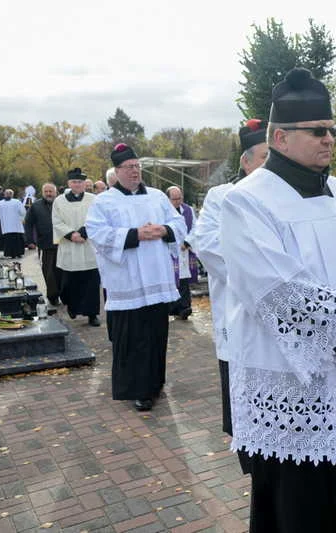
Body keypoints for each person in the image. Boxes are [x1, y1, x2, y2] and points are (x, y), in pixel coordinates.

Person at [220, 68, 336, 532]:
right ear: (279, 137)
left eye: (332, 130)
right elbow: (276, 287)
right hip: (298, 386)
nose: (330, 140)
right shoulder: (246, 201)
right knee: (300, 508)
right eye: (318, 131)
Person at [86, 144, 186, 412]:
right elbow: (97, 234)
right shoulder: (104, 202)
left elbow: (179, 224)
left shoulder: (156, 197)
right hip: (127, 281)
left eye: (137, 166)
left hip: (156, 278)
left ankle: (155, 383)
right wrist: (134, 235)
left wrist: (164, 229)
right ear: (116, 171)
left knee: (156, 334)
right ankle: (138, 389)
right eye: (129, 167)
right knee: (133, 337)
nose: (134, 171)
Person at [187, 117, 268, 437]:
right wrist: (260, 270)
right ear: (246, 163)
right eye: (264, 157)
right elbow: (205, 243)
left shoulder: (288, 193)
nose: (270, 164)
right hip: (238, 308)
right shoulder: (222, 195)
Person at [52, 169, 100, 326]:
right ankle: (72, 308)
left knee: (91, 282)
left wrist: (84, 233)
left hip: (88, 246)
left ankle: (92, 314)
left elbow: (97, 218)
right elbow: (56, 221)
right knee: (70, 282)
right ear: (69, 183)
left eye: (80, 182)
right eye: (74, 182)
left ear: (85, 184)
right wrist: (71, 234)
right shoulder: (59, 201)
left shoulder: (93, 199)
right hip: (69, 246)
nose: (77, 184)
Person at [25, 183, 62, 307]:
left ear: (55, 192)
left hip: (64, 243)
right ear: (42, 192)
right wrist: (30, 240)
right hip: (46, 244)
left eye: (51, 191)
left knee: (64, 272)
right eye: (46, 191)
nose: (48, 194)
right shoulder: (36, 206)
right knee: (49, 272)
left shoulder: (62, 204)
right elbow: (28, 224)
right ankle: (53, 296)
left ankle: (65, 294)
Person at [165, 186, 197, 320]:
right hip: (170, 251)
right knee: (172, 280)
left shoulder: (188, 210)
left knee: (183, 280)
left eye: (180, 198)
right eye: (175, 199)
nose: (178, 201)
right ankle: (173, 308)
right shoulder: (163, 211)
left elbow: (195, 227)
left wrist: (187, 242)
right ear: (168, 199)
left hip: (184, 250)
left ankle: (185, 307)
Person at [0, 189, 26, 258]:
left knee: (8, 240)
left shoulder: (0, 203)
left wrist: (4, 219)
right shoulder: (17, 202)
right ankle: (19, 253)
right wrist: (21, 219)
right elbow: (23, 212)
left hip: (6, 226)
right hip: (16, 225)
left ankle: (9, 253)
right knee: (17, 240)